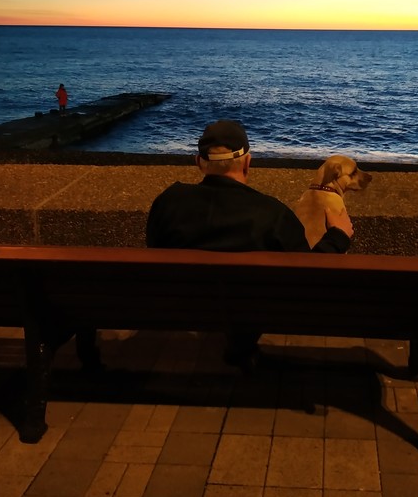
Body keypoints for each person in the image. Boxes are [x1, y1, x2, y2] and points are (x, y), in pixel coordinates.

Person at [146, 119, 353, 368]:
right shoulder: (273, 214)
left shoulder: (168, 203)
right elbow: (307, 279)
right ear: (247, 162)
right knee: (254, 296)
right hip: (256, 310)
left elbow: (154, 249)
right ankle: (241, 344)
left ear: (199, 162)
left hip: (181, 307)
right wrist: (338, 236)